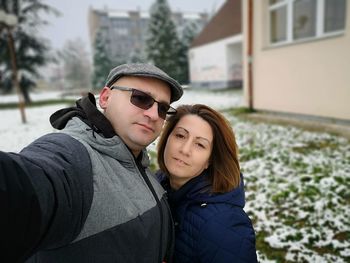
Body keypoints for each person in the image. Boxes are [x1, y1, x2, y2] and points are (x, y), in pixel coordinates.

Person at [0, 63, 183, 263]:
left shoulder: (141, 164)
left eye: (163, 108)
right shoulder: (72, 156)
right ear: (105, 97)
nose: (154, 115)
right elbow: (26, 187)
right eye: (140, 98)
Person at [156, 104, 258, 263]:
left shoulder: (222, 224)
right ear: (167, 138)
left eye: (200, 144)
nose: (185, 149)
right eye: (180, 136)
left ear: (209, 161)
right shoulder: (155, 187)